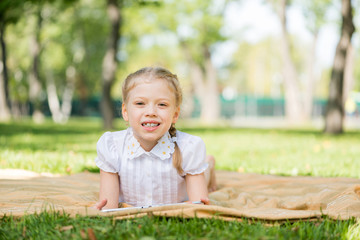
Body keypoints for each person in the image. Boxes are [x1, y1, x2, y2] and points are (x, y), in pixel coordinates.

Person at [94, 66, 216, 210]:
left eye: (162, 104)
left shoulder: (188, 148)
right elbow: (108, 207)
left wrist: (197, 203)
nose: (151, 112)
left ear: (175, 114)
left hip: (184, 185)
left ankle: (209, 165)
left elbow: (199, 205)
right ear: (125, 112)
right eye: (140, 103)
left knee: (202, 174)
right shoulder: (113, 146)